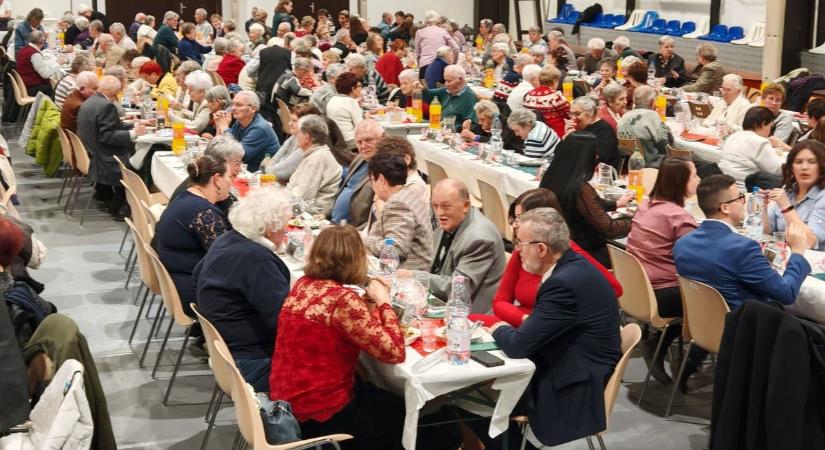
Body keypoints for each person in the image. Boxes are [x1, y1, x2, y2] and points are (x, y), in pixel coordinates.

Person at [489, 208, 621, 448]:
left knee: (480, 400)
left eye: (521, 244)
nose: (517, 250)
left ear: (541, 249)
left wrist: (496, 327)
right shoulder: (571, 266)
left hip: (574, 382)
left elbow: (518, 346)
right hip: (576, 360)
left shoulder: (563, 284)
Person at [270, 225, 405, 448]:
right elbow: (394, 352)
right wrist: (384, 302)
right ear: (355, 259)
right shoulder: (342, 300)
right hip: (319, 411)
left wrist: (369, 303)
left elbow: (346, 324)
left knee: (377, 393)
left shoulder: (304, 284)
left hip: (287, 398)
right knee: (398, 408)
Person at [673, 174, 811, 391]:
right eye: (740, 198)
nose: (744, 203)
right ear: (725, 207)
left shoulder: (682, 243)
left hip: (702, 325)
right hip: (743, 329)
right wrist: (798, 254)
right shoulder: (742, 248)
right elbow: (786, 293)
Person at [472, 188, 621, 328]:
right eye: (515, 219)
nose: (516, 226)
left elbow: (614, 289)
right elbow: (500, 302)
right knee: (464, 322)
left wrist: (570, 317)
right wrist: (525, 320)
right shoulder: (523, 249)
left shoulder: (572, 256)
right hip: (522, 323)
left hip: (549, 331)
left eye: (521, 219)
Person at [193, 188, 292, 392]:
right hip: (251, 361)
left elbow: (196, 274)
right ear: (269, 228)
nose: (287, 231)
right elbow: (282, 321)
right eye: (284, 225)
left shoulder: (227, 239)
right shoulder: (257, 259)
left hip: (227, 352)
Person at [626, 157, 700, 384]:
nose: (699, 180)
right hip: (661, 294)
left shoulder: (645, 204)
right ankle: (674, 355)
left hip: (635, 288)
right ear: (681, 182)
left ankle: (660, 345)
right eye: (695, 176)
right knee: (713, 301)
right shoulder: (679, 217)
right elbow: (696, 262)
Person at [398, 179, 506, 313]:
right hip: (444, 303)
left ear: (465, 205)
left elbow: (458, 288)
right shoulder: (451, 220)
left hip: (470, 316)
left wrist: (413, 276)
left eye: (446, 206)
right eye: (435, 206)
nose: (439, 213)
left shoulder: (480, 238)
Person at [539, 133, 633, 267]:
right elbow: (610, 228)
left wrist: (616, 204)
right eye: (594, 155)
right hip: (585, 255)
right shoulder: (580, 188)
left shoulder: (552, 178)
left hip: (559, 248)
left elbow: (584, 205)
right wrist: (636, 222)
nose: (597, 158)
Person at [156, 155, 231, 317]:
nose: (231, 182)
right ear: (217, 179)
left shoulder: (185, 197)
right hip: (193, 291)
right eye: (229, 176)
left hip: (177, 281)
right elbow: (227, 258)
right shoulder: (204, 213)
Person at [76, 76, 146, 219]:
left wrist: (133, 126)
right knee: (139, 162)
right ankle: (122, 206)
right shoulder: (106, 106)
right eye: (117, 94)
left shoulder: (90, 101)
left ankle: (112, 199)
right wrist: (133, 133)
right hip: (104, 158)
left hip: (92, 152)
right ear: (113, 93)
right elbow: (108, 136)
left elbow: (109, 127)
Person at [364, 152, 433, 270]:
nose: (371, 185)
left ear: (381, 180)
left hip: (406, 277)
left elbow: (395, 249)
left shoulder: (398, 204)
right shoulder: (408, 194)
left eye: (371, 180)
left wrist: (365, 242)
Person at [763, 140, 825, 250]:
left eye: (812, 162)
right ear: (791, 167)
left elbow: (807, 242)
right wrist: (763, 207)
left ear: (821, 167)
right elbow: (766, 231)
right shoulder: (788, 190)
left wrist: (786, 206)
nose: (804, 167)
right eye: (798, 162)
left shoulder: (822, 196)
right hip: (782, 256)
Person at [169, 136, 244, 217]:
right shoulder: (204, 199)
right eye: (237, 163)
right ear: (220, 163)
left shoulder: (200, 180)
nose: (240, 169)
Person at [330, 120, 383, 226]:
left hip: (353, 230)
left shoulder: (385, 169)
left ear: (382, 139)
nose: (363, 146)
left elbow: (376, 217)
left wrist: (354, 234)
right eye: (359, 142)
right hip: (334, 223)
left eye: (368, 140)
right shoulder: (359, 159)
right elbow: (343, 190)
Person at [287, 115, 342, 216]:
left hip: (311, 214)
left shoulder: (318, 158)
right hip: (301, 208)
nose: (296, 136)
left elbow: (301, 197)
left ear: (307, 138)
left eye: (298, 133)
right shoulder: (314, 154)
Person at [213, 90, 281, 172]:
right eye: (232, 104)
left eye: (238, 105)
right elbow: (219, 147)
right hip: (241, 169)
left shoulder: (259, 128)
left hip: (257, 175)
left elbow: (237, 155)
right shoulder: (239, 122)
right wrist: (218, 125)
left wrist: (224, 127)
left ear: (252, 109)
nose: (233, 108)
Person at [718, 106, 783, 189]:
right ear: (763, 124)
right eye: (770, 125)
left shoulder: (734, 136)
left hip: (724, 185)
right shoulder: (759, 142)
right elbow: (778, 170)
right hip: (745, 189)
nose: (770, 129)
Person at [617, 85, 673, 168]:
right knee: (696, 162)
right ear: (652, 102)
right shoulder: (652, 116)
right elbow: (667, 144)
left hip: (629, 165)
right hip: (652, 165)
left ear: (634, 100)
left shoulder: (625, 116)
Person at [262, 104, 322, 181]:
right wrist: (268, 167)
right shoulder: (294, 137)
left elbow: (281, 172)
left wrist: (265, 168)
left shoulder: (306, 145)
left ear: (306, 124)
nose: (289, 123)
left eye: (294, 121)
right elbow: (275, 159)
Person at [568, 96, 620, 169]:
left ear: (590, 113)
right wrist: (566, 137)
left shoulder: (604, 130)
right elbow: (559, 154)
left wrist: (575, 139)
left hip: (601, 174)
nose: (573, 118)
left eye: (577, 114)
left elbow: (597, 159)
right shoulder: (579, 127)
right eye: (571, 113)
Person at [522, 65, 569, 138]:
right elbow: (568, 114)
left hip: (534, 133)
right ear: (555, 80)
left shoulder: (529, 95)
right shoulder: (555, 95)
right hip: (555, 133)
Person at [16, 30, 61, 97]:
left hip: (24, 82)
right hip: (32, 87)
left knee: (52, 81)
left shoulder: (25, 49)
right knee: (56, 85)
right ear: (43, 41)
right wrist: (58, 64)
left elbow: (38, 65)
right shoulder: (34, 54)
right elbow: (45, 74)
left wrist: (54, 63)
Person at [326, 72, 363, 150]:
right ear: (353, 88)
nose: (361, 89)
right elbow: (360, 127)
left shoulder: (332, 99)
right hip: (350, 142)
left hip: (336, 141)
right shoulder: (351, 102)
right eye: (360, 86)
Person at [414, 11, 458, 76]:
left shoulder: (420, 32)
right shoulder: (443, 31)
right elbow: (456, 48)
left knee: (426, 85)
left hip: (425, 65)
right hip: (440, 65)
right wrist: (453, 62)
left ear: (425, 20)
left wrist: (419, 64)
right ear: (437, 20)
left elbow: (418, 54)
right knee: (440, 86)